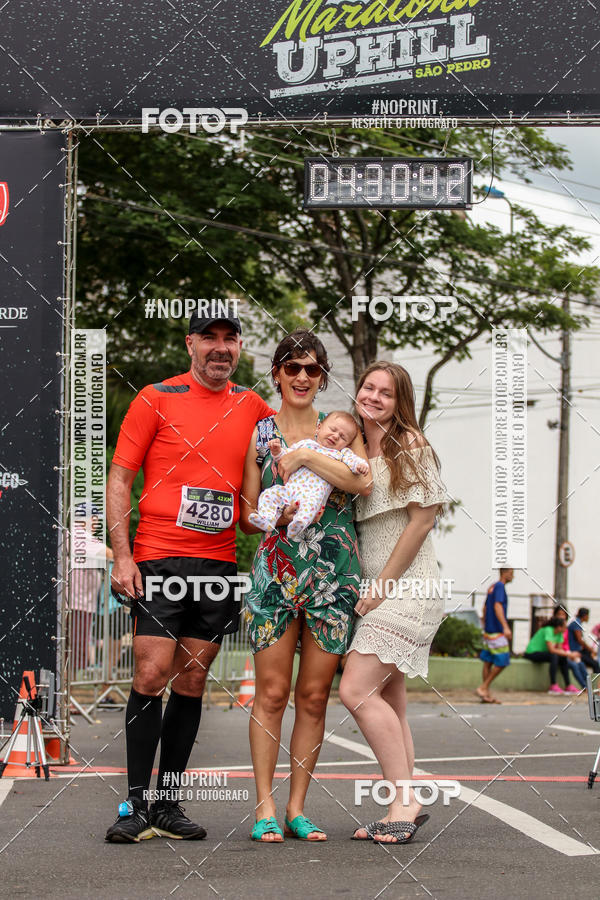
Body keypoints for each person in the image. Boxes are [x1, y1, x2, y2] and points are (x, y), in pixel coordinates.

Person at [104, 307, 273, 843]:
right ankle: (135, 806)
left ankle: (169, 805)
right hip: (158, 556)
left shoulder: (251, 405)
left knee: (194, 678)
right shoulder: (157, 397)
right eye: (210, 339)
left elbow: (293, 437)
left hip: (219, 563)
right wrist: (122, 555)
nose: (220, 348)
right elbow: (120, 477)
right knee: (152, 675)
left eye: (230, 340)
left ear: (240, 349)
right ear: (191, 344)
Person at [240, 330, 371, 843]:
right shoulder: (259, 433)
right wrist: (277, 516)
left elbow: (361, 483)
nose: (301, 376)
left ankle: (297, 807)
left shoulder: (339, 428)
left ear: (321, 377)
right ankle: (264, 807)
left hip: (333, 577)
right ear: (276, 373)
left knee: (314, 696)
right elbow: (249, 515)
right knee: (271, 693)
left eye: (311, 369)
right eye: (291, 367)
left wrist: (306, 457)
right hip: (276, 572)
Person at [338, 362, 447, 845]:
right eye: (368, 388)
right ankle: (398, 804)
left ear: (400, 401)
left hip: (409, 589)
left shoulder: (413, 447)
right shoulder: (355, 451)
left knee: (356, 691)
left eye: (386, 392)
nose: (375, 397)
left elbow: (422, 522)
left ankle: (406, 797)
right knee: (391, 701)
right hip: (375, 590)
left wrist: (381, 586)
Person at [249, 411, 369, 540]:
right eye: (333, 430)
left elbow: (354, 463)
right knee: (270, 494)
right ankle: (267, 519)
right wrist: (277, 451)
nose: (335, 436)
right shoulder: (305, 444)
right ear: (319, 428)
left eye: (342, 437)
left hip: (313, 495)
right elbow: (285, 458)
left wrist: (360, 466)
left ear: (347, 445)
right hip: (290, 490)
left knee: (310, 507)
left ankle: (298, 523)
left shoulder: (341, 454)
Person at [476, 569, 514, 704]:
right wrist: (505, 626)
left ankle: (485, 694)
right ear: (506, 572)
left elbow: (485, 608)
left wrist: (486, 624)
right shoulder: (500, 587)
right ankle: (483, 687)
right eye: (512, 572)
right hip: (497, 631)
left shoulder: (492, 586)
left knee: (489, 661)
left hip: (489, 630)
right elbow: (498, 606)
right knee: (503, 661)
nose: (513, 576)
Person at [523, 616, 581, 694]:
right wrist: (570, 654)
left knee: (562, 657)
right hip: (532, 653)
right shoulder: (548, 630)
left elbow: (560, 650)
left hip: (544, 653)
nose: (566, 628)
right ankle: (553, 685)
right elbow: (551, 650)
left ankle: (568, 685)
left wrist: (567, 655)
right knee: (554, 656)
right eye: (564, 626)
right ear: (559, 627)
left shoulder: (560, 634)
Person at [567, 608, 600, 675]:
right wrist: (590, 649)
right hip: (575, 651)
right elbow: (579, 640)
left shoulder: (577, 622)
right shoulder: (577, 623)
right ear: (585, 615)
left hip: (578, 650)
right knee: (595, 664)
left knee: (593, 660)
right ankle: (596, 684)